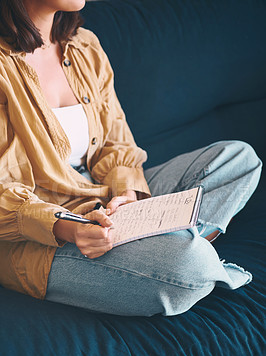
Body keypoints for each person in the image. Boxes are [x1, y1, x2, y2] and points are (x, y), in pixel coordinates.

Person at [0, 0, 262, 316]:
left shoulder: (84, 45)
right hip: (39, 235)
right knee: (186, 266)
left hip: (104, 201)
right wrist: (72, 229)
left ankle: (172, 244)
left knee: (237, 159)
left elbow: (116, 145)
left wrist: (127, 197)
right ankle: (189, 256)